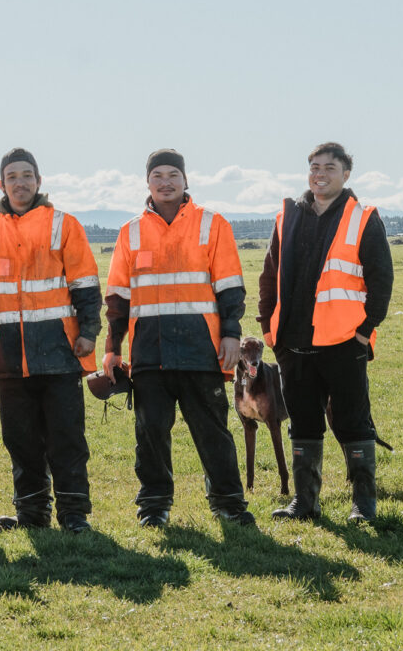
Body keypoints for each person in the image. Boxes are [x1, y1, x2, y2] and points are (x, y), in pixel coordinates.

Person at [102, 149, 254, 528]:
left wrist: (231, 335)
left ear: (186, 180)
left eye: (173, 174)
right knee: (150, 432)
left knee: (212, 431)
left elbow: (230, 287)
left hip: (202, 350)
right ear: (147, 182)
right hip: (148, 353)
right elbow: (118, 298)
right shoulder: (130, 232)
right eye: (157, 175)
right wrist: (112, 349)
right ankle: (154, 506)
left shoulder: (212, 224)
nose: (165, 182)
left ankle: (228, 503)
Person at [258, 141, 393, 523]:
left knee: (353, 422)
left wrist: (365, 330)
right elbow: (269, 275)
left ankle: (363, 504)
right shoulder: (287, 216)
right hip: (293, 343)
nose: (320, 174)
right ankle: (305, 503)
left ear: (346, 174)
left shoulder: (362, 218)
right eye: (314, 167)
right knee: (303, 422)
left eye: (329, 168)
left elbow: (381, 279)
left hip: (344, 342)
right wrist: (269, 329)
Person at [0, 148, 101, 533]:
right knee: (20, 440)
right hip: (10, 358)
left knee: (66, 438)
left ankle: (74, 514)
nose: (20, 183)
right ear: (1, 184)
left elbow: (85, 285)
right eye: (12, 177)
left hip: (60, 353)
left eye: (27, 175)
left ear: (39, 181)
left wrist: (89, 332)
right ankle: (32, 513)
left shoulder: (64, 225)